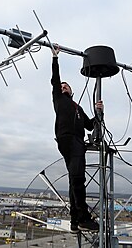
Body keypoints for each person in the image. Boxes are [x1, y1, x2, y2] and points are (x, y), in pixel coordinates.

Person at [51, 45, 102, 233]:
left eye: (66, 85)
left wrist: (99, 112)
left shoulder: (77, 108)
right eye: (62, 86)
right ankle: (83, 218)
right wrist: (55, 58)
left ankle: (74, 221)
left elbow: (90, 125)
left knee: (75, 180)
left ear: (72, 91)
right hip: (68, 140)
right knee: (78, 178)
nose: (63, 86)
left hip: (78, 142)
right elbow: (55, 80)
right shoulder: (59, 100)